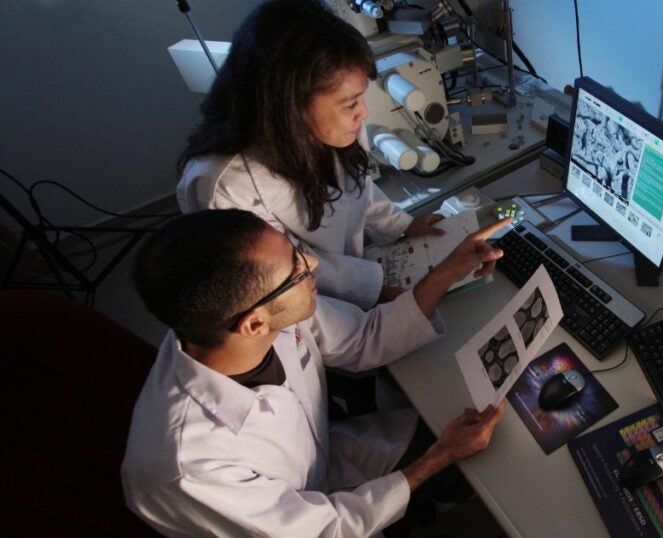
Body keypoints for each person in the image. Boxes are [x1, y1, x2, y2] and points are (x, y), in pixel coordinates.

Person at [122, 209, 510, 536]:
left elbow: (362, 338)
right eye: (296, 270)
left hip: (323, 460)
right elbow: (327, 529)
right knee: (462, 461)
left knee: (468, 429)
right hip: (303, 524)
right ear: (254, 325)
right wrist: (437, 458)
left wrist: (444, 272)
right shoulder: (190, 469)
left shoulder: (250, 317)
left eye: (297, 254)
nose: (313, 265)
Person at [177, 0, 441, 310]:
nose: (363, 113)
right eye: (350, 103)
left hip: (355, 276)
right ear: (289, 104)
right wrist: (374, 290)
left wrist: (402, 224)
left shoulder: (335, 126)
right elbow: (287, 269)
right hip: (302, 308)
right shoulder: (222, 186)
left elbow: (358, 188)